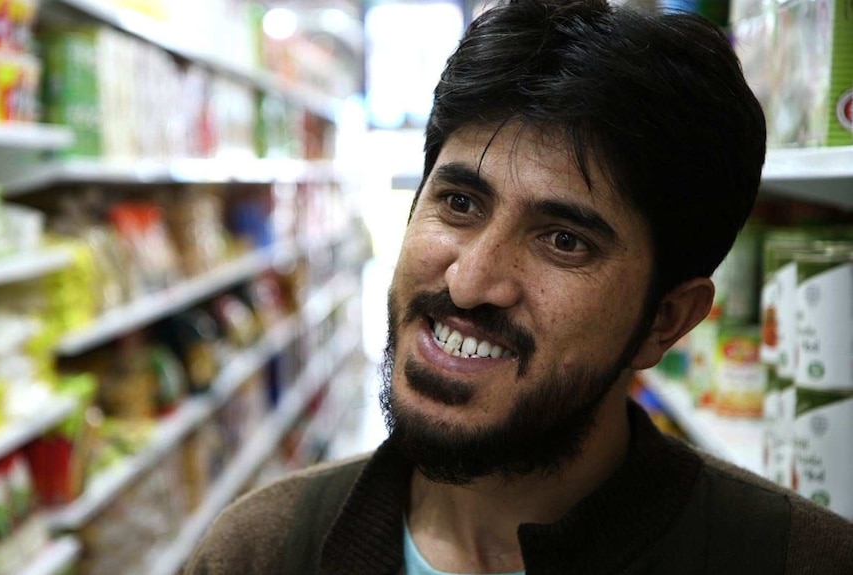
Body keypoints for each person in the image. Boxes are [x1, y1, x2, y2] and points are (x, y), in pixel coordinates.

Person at [185, 1, 853, 573]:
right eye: (459, 203)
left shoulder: (799, 559)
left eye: (564, 240)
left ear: (666, 320)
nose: (470, 280)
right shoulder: (257, 552)